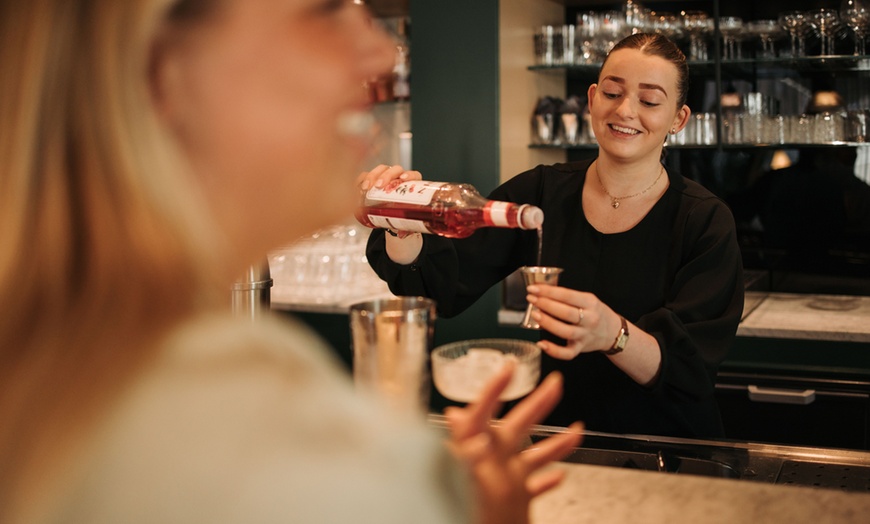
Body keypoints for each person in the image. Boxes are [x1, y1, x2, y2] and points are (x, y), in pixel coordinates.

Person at [0, 1, 581, 523]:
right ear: (165, 71)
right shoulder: (253, 434)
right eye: (324, 11)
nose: (378, 51)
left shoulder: (63, 363)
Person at [364, 33, 745, 439]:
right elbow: (441, 284)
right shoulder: (541, 192)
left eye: (650, 101)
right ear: (593, 97)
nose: (626, 110)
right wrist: (400, 224)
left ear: (678, 119)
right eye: (613, 92)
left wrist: (611, 334)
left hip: (668, 449)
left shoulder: (704, 220)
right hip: (560, 442)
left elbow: (689, 370)